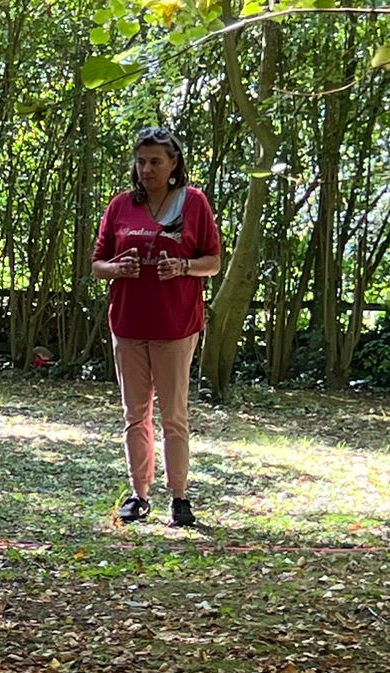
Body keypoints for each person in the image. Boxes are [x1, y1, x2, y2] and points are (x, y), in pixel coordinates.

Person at [92, 125, 222, 527]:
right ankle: (139, 494)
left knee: (174, 416)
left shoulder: (194, 203)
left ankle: (179, 497)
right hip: (128, 324)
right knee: (135, 414)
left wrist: (183, 266)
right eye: (142, 161)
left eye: (156, 161)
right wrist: (117, 268)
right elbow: (97, 264)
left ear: (173, 164)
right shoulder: (120, 207)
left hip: (176, 326)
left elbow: (213, 262)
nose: (147, 169)